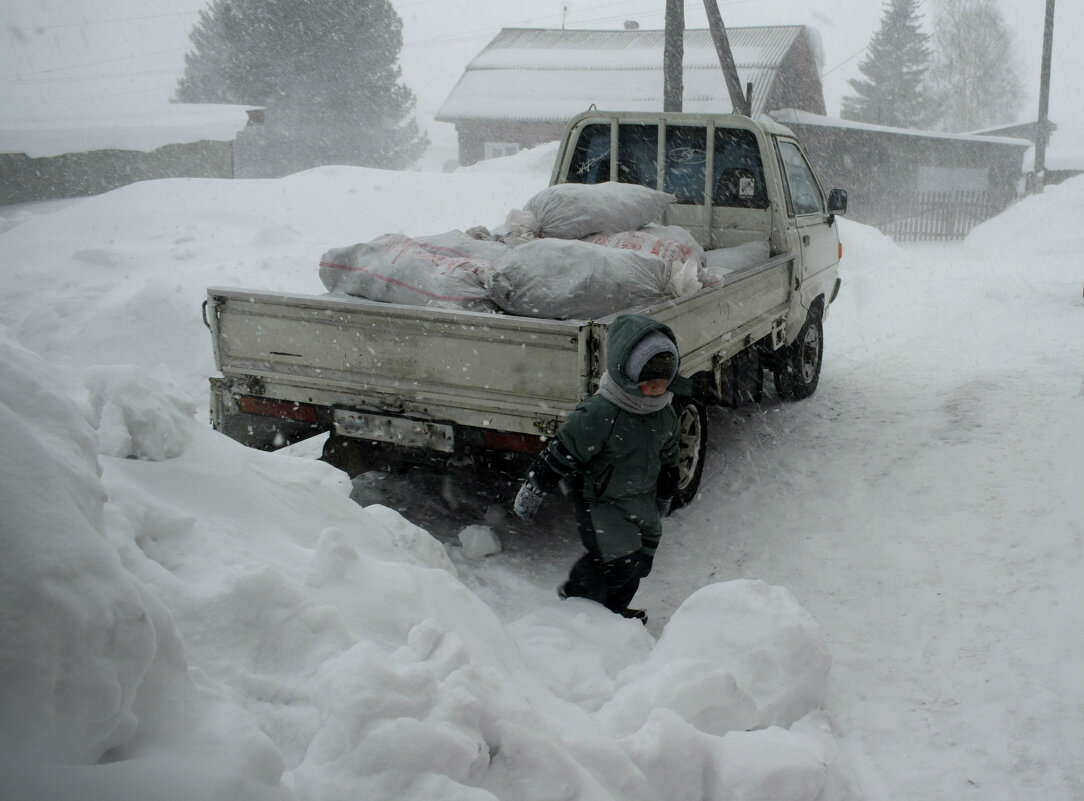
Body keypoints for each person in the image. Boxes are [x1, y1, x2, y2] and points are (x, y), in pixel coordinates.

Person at [513, 313, 689, 623]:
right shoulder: (602, 411)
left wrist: (668, 483)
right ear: (628, 374)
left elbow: (669, 448)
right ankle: (576, 600)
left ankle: (614, 610)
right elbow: (563, 449)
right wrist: (536, 486)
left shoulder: (664, 412)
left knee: (642, 559)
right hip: (601, 501)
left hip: (640, 498)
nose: (656, 390)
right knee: (618, 560)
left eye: (662, 382)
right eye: (648, 382)